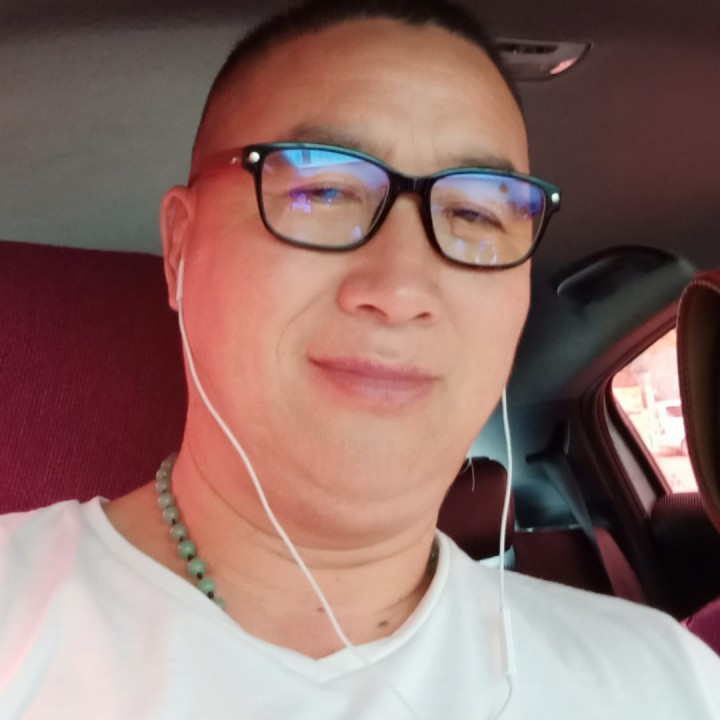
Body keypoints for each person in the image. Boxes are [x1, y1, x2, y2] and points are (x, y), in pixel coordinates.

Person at [1, 0, 719, 718]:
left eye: (475, 213)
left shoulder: (666, 684)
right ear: (181, 249)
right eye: (323, 191)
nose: (402, 289)